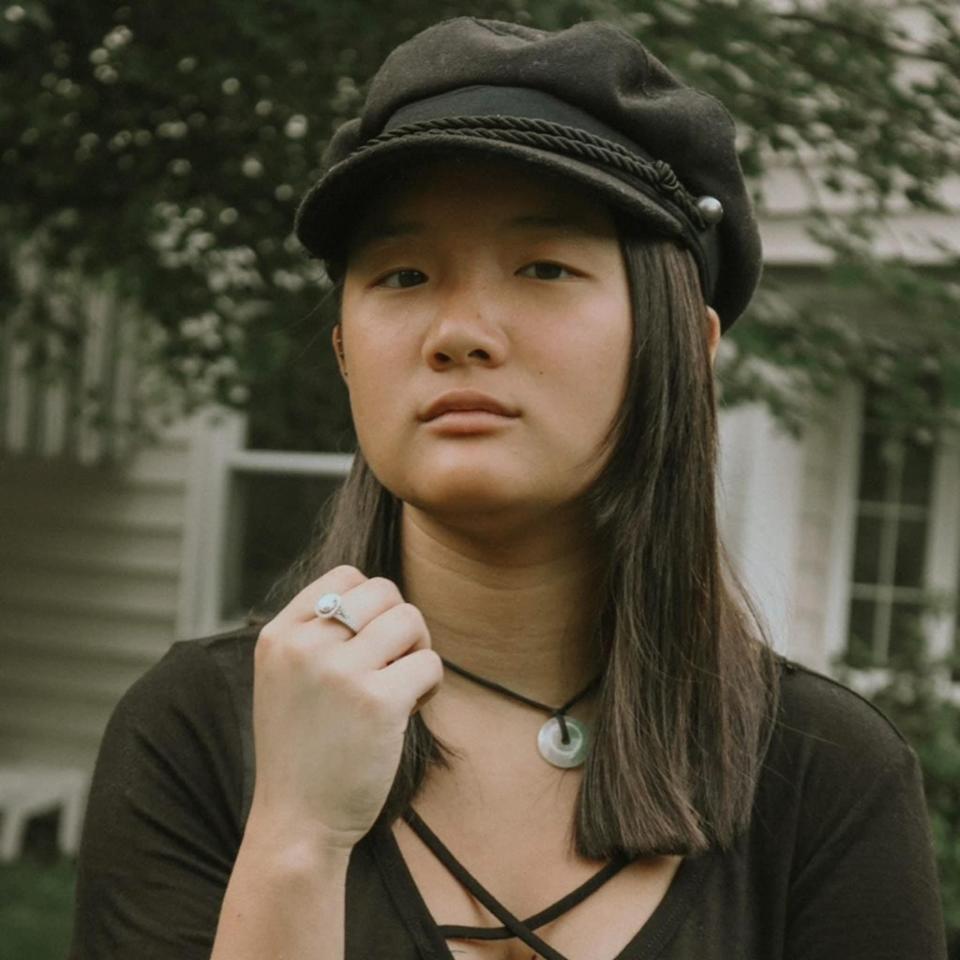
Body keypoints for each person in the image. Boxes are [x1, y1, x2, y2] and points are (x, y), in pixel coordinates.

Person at [68, 16, 947, 960]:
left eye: (542, 268)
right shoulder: (197, 733)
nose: (458, 331)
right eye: (403, 275)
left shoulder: (824, 775)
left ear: (685, 349)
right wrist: (296, 837)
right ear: (344, 358)